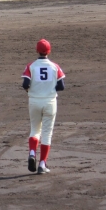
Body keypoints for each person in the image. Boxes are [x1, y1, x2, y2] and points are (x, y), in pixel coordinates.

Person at [22, 39, 66, 174]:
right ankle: (42, 164)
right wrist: (49, 88)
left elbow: (25, 84)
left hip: (34, 101)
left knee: (35, 130)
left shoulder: (31, 66)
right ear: (49, 51)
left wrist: (32, 90)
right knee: (47, 133)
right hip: (50, 102)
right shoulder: (54, 66)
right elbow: (61, 86)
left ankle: (32, 153)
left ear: (37, 50)